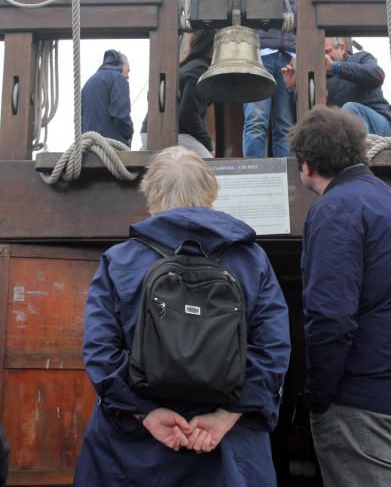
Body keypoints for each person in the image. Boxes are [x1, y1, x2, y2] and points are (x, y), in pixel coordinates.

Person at [73, 145, 291, 487]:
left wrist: (146, 413)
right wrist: (227, 416)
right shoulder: (252, 259)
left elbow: (100, 350)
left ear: (151, 193)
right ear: (210, 191)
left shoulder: (119, 260)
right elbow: (273, 350)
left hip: (132, 454)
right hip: (226, 453)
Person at [289, 106, 391, 487]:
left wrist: (317, 397)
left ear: (307, 165)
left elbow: (330, 316)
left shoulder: (335, 209)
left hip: (365, 409)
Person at [242, 0, 296, 158]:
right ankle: (253, 171)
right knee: (256, 119)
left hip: (287, 60)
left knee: (285, 123)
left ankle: (288, 173)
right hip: (260, 58)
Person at [281, 37, 391, 137]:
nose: (324, 58)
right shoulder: (318, 78)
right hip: (344, 135)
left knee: (350, 109)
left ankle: (356, 157)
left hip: (381, 127)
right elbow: (303, 117)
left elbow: (377, 75)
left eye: (327, 52)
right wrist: (292, 87)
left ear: (341, 48)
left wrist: (335, 67)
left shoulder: (361, 58)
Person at [141, 30, 215, 157]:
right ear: (215, 46)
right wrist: (208, 146)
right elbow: (188, 115)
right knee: (213, 171)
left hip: (150, 131)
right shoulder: (199, 69)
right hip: (170, 134)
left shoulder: (186, 66)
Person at [81, 49, 133, 145]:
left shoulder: (89, 83)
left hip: (89, 146)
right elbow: (120, 114)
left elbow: (81, 120)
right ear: (121, 65)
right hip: (111, 146)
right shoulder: (118, 78)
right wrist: (128, 134)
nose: (128, 75)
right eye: (128, 70)